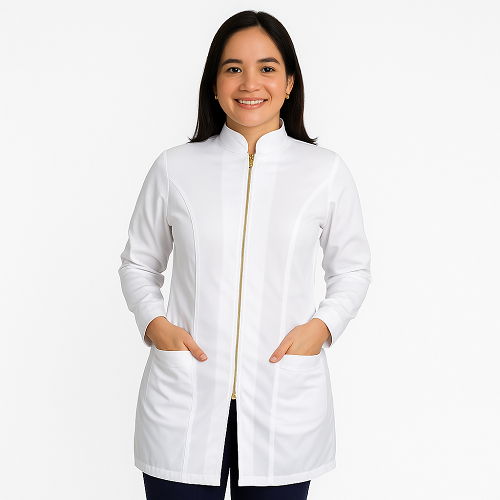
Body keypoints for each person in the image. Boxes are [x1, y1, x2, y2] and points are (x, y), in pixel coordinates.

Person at [118, 10, 372, 500]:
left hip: (283, 396)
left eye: (267, 68)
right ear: (214, 84)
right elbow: (138, 263)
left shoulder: (325, 172)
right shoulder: (174, 168)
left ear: (290, 83)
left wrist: (320, 328)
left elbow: (353, 269)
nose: (250, 83)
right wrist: (156, 324)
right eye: (233, 68)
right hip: (184, 397)